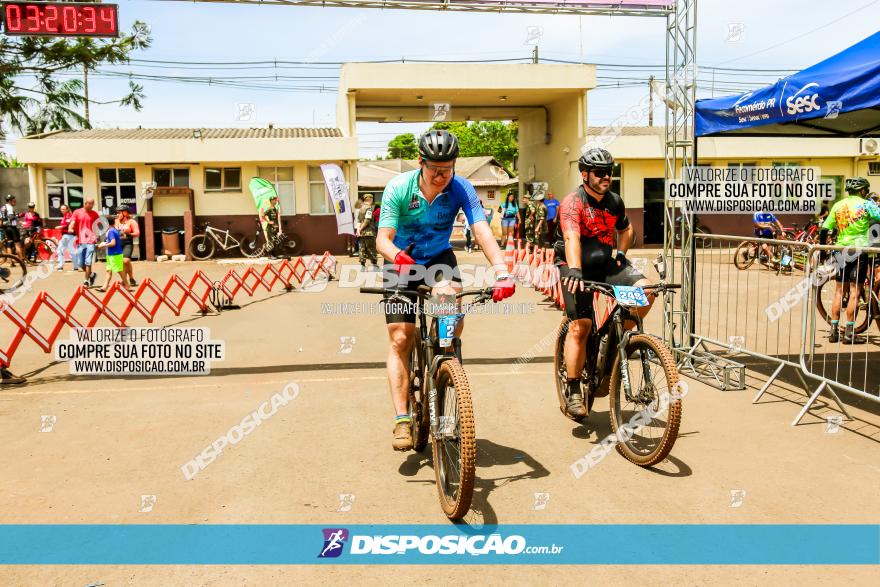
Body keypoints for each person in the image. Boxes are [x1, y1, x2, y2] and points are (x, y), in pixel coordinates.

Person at [375, 129, 515, 450]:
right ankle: (401, 419)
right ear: (421, 163)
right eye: (435, 169)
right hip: (401, 259)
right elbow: (382, 239)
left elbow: (481, 231)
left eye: (448, 169)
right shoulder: (399, 187)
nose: (441, 176)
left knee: (450, 317)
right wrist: (397, 255)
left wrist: (502, 271)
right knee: (400, 338)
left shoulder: (460, 188)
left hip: (439, 258)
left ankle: (445, 368)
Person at [555, 148, 653, 418]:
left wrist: (621, 253)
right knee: (581, 326)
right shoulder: (572, 202)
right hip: (573, 266)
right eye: (599, 172)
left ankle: (614, 339)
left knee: (647, 291)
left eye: (609, 171)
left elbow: (626, 229)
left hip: (605, 264)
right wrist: (574, 270)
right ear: (585, 174)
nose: (606, 176)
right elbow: (572, 237)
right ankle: (574, 388)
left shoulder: (615, 201)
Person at [818, 177, 880, 344]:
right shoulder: (867, 204)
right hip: (859, 250)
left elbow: (824, 229)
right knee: (855, 292)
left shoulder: (838, 205)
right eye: (865, 190)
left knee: (839, 291)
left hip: (841, 250)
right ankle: (849, 334)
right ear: (862, 191)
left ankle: (834, 331)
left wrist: (823, 253)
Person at [69, 197, 99, 288]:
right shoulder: (77, 212)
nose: (91, 206)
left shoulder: (94, 214)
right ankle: (92, 275)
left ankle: (86, 281)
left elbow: (97, 227)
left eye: (92, 204)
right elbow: (72, 222)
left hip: (91, 240)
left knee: (88, 261)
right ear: (85, 203)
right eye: (89, 204)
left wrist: (97, 238)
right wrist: (70, 228)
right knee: (80, 263)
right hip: (81, 241)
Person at [95, 216, 128, 293]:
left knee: (119, 270)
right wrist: (105, 243)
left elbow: (113, 243)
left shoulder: (111, 231)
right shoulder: (113, 230)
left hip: (115, 254)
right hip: (112, 254)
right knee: (109, 271)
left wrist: (103, 245)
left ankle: (127, 284)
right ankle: (105, 287)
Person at [116, 206, 140, 287]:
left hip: (127, 243)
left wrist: (129, 234)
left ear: (125, 213)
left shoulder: (132, 222)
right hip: (118, 244)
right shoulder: (116, 221)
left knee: (125, 260)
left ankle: (128, 279)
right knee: (121, 262)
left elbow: (137, 233)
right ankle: (128, 279)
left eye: (119, 213)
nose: (117, 214)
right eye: (117, 213)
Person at [356, 193, 378, 270]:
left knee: (362, 249)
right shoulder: (369, 208)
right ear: (370, 199)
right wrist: (361, 229)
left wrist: (358, 230)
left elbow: (358, 220)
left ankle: (362, 267)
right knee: (371, 249)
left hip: (361, 234)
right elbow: (367, 220)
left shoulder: (361, 208)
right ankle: (374, 266)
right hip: (369, 233)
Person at [1, 195, 25, 259]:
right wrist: (19, 215)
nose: (15, 202)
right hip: (12, 228)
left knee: (9, 244)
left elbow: (2, 218)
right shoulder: (10, 207)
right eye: (14, 200)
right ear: (9, 201)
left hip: (6, 228)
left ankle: (10, 261)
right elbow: (11, 218)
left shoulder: (2, 208)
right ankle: (22, 261)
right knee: (17, 244)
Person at [55, 204, 76, 271]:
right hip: (69, 235)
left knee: (60, 249)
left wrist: (60, 227)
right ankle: (76, 266)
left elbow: (68, 225)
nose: (62, 210)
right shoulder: (66, 216)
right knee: (71, 251)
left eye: (63, 209)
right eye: (61, 209)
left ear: (67, 209)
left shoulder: (68, 216)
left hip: (68, 235)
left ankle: (60, 265)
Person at [259, 194, 281, 259]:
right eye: (274, 200)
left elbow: (276, 218)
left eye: (276, 200)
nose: (275, 201)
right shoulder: (269, 209)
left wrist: (278, 227)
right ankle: (271, 255)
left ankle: (274, 255)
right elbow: (262, 216)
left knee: (275, 241)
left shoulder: (275, 209)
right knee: (271, 241)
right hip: (270, 228)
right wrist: (268, 222)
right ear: (271, 201)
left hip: (275, 228)